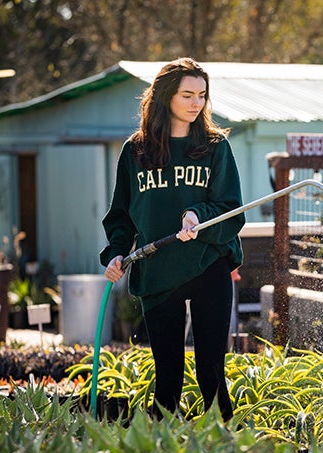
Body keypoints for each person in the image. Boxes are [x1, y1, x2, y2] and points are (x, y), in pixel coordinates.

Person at [100, 58, 244, 422]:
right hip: (157, 270)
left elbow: (230, 208)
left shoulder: (215, 147)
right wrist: (117, 254)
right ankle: (161, 448)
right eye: (187, 95)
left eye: (202, 95)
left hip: (208, 263)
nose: (196, 103)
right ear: (166, 97)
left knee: (211, 370)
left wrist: (198, 215)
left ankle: (225, 442)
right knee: (167, 376)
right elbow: (121, 215)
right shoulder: (136, 151)